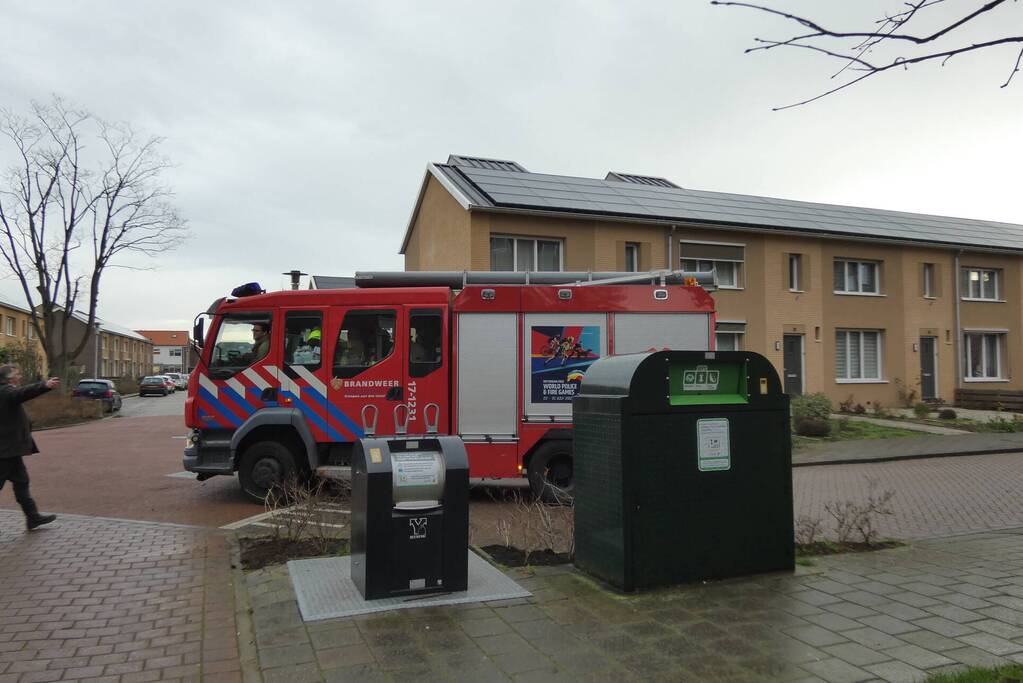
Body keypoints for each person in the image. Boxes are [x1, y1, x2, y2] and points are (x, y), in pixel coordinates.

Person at [0, 364, 60, 532]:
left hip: (11, 451)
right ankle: (33, 517)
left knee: (22, 483)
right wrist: (44, 385)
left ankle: (33, 517)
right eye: (17, 375)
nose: (20, 377)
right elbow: (22, 393)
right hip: (5, 451)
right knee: (21, 483)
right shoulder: (5, 392)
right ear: (10, 378)